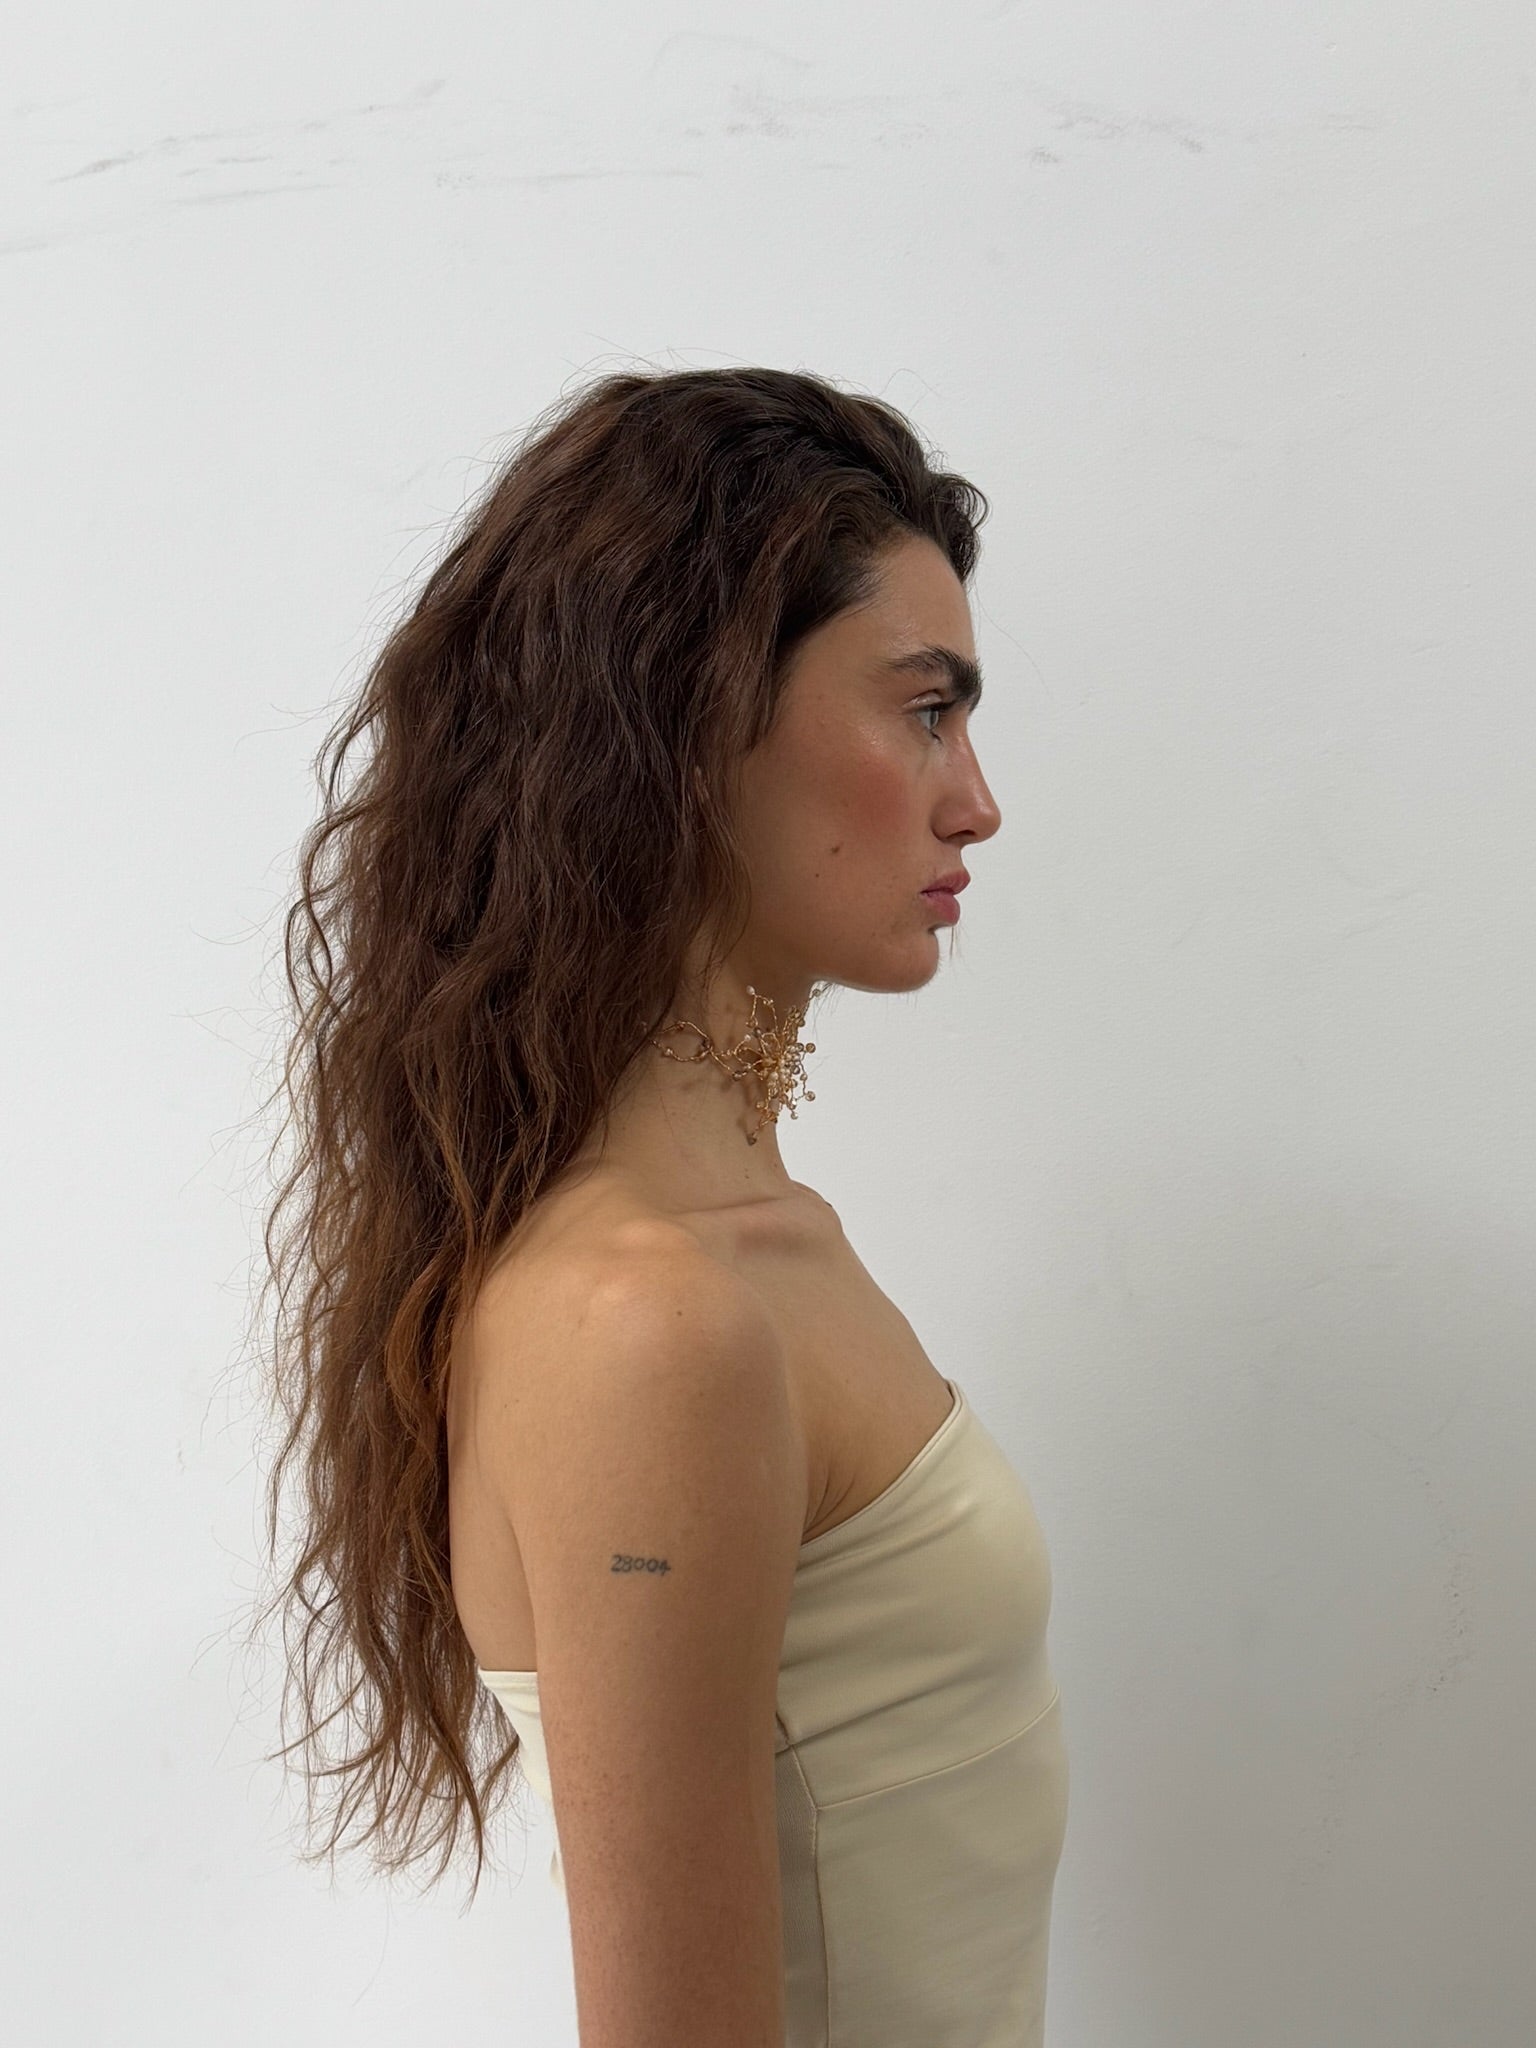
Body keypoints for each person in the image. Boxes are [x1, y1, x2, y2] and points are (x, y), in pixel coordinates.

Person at [252, 366, 1069, 2046]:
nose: (976, 800)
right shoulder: (647, 1326)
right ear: (692, 724)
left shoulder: (768, 1244)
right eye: (925, 710)